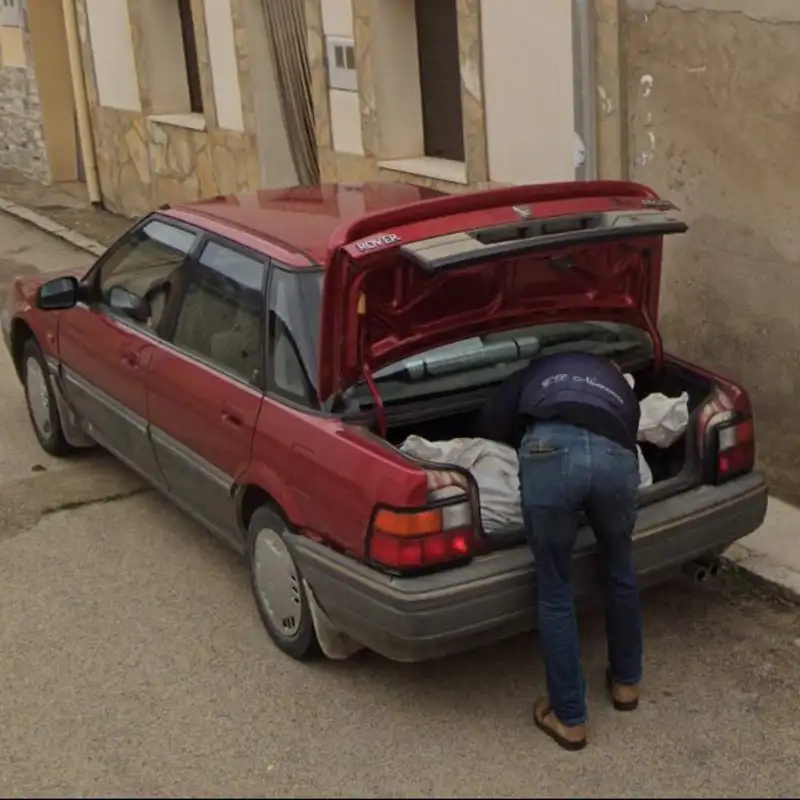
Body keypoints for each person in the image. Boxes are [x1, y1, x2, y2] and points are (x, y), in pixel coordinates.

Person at [478, 351, 642, 752]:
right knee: (620, 568)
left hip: (549, 453)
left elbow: (492, 424)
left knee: (555, 589)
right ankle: (626, 683)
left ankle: (569, 717)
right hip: (614, 458)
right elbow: (631, 428)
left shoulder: (534, 373)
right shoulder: (615, 380)